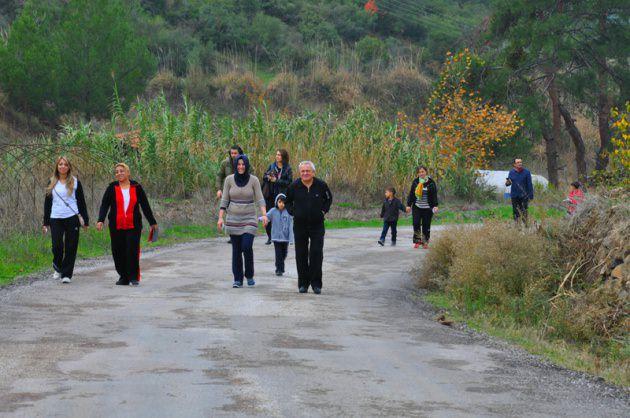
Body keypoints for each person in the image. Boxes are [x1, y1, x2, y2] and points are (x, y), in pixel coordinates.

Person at [96, 163, 157, 286]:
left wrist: (152, 222)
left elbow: (145, 205)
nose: (119, 173)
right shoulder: (112, 187)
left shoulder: (136, 187)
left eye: (122, 171)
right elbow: (104, 205)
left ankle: (133, 277)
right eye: (117, 171)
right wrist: (100, 220)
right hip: (116, 225)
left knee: (132, 250)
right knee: (118, 251)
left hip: (133, 225)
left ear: (128, 173)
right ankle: (123, 277)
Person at [217, 154, 268, 288]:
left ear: (246, 165)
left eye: (243, 164)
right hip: (233, 219)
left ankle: (249, 274)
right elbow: (225, 200)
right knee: (236, 249)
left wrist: (264, 215)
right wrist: (220, 217)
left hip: (249, 218)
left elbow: (260, 199)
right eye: (238, 164)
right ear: (235, 166)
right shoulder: (229, 180)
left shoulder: (254, 180)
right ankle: (238, 279)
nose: (241, 167)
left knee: (246, 246)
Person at [285, 161, 332, 294]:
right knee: (301, 254)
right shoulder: (294, 186)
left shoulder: (321, 185)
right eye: (303, 171)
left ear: (313, 172)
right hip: (300, 225)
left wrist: (323, 210)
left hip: (317, 225)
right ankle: (303, 284)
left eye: (308, 171)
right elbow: (287, 201)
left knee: (316, 253)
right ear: (300, 173)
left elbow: (329, 199)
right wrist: (293, 212)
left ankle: (316, 284)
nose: (305, 173)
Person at [42, 156, 89, 284]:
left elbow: (81, 202)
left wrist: (85, 220)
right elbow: (47, 203)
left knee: (71, 246)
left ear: (69, 167)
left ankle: (66, 274)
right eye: (60, 164)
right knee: (57, 245)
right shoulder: (51, 181)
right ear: (57, 166)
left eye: (65, 164)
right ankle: (57, 265)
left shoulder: (75, 181)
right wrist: (45, 222)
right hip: (55, 217)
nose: (63, 166)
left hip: (72, 217)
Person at [263, 149, 293, 245]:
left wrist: (276, 180)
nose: (277, 156)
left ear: (283, 157)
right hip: (270, 195)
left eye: (279, 155)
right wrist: (268, 177)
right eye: (276, 154)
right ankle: (269, 237)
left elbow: (289, 182)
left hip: (281, 196)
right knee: (269, 215)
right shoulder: (272, 166)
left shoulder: (288, 168)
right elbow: (264, 176)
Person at [406, 166, 438, 249]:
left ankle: (425, 242)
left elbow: (434, 195)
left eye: (423, 171)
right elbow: (411, 194)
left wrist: (435, 206)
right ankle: (417, 241)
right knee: (416, 223)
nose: (421, 173)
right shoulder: (416, 182)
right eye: (419, 172)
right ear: (418, 173)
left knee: (426, 225)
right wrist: (409, 205)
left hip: (427, 208)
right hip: (417, 206)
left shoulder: (431, 182)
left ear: (426, 172)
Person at [216, 145, 243, 245]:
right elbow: (219, 176)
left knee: (240, 213)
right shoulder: (225, 163)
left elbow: (251, 175)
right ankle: (233, 236)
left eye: (235, 153)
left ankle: (242, 234)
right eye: (232, 153)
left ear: (239, 153)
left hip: (241, 192)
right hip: (229, 192)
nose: (233, 155)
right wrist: (219, 189)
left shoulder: (244, 163)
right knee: (230, 215)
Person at [266, 193, 293, 276]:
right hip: (276, 238)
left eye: (283, 202)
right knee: (278, 254)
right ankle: (279, 269)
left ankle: (279, 264)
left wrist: (291, 239)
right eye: (280, 202)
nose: (282, 204)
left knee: (284, 253)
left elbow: (291, 226)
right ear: (276, 202)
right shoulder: (273, 211)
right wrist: (261, 219)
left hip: (285, 238)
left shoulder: (288, 212)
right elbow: (266, 217)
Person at [505, 158, 534, 225]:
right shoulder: (511, 172)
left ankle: (526, 225)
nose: (520, 163)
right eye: (518, 162)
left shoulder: (526, 172)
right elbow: (508, 183)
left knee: (524, 211)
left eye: (520, 162)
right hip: (514, 195)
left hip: (524, 195)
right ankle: (517, 226)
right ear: (514, 164)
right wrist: (507, 182)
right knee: (515, 211)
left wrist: (531, 195)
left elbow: (529, 184)